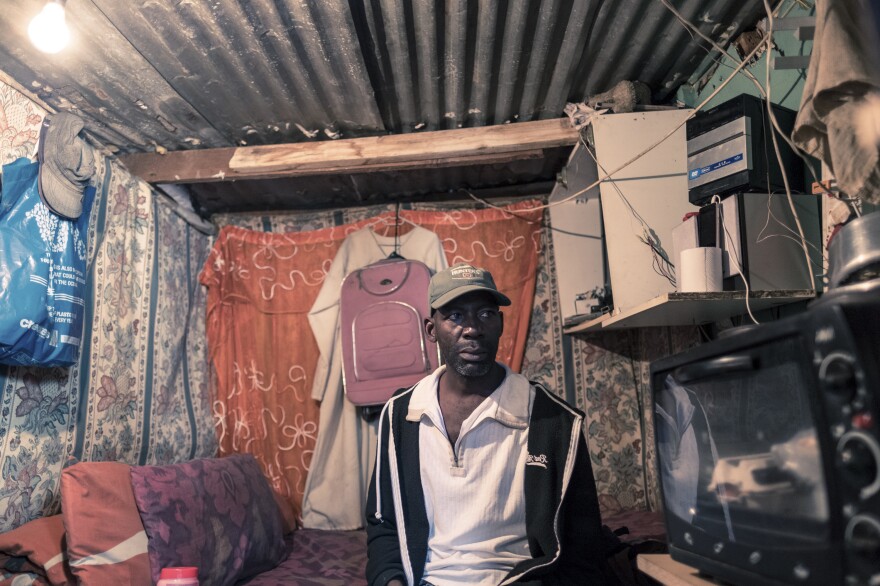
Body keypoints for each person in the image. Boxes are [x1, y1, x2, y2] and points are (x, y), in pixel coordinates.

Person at [365, 263, 611, 585]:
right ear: (431, 330)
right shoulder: (401, 415)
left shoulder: (552, 421)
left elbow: (582, 544)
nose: (472, 329)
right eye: (455, 316)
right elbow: (384, 524)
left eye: (485, 314)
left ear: (500, 323)